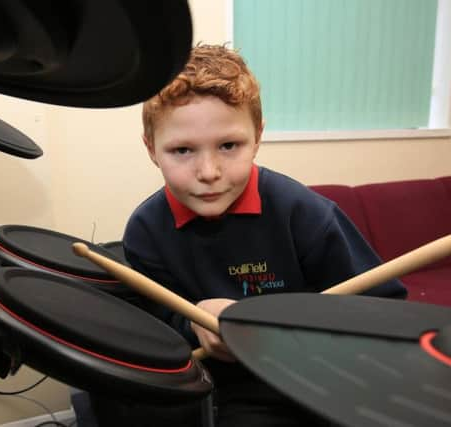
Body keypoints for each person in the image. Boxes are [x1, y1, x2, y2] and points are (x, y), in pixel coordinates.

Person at [122, 44, 407, 427]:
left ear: (257, 136)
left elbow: (386, 308)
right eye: (183, 150)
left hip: (322, 376)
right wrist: (191, 323)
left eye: (228, 146)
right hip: (233, 389)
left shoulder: (305, 214)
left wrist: (292, 324)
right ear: (151, 149)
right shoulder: (145, 231)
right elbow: (152, 328)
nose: (208, 171)